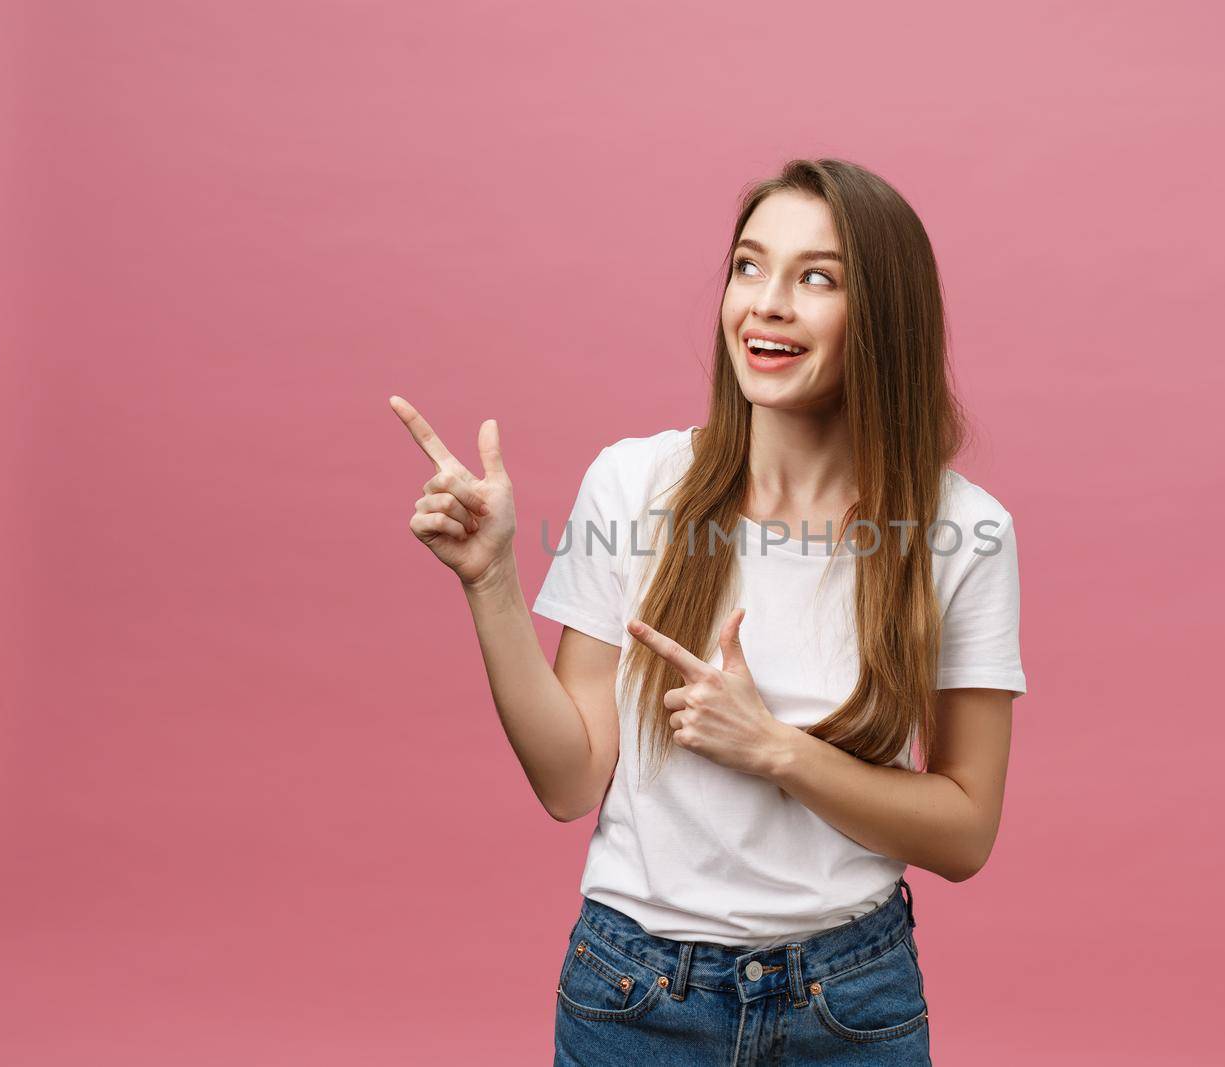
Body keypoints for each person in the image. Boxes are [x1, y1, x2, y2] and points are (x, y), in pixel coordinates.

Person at [390, 158, 1026, 1064]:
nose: (766, 302)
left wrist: (776, 750)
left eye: (817, 278)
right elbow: (569, 783)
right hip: (636, 996)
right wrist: (489, 583)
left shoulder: (964, 530)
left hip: (850, 1001)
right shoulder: (634, 485)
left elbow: (964, 833)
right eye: (748, 266)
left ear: (885, 317)